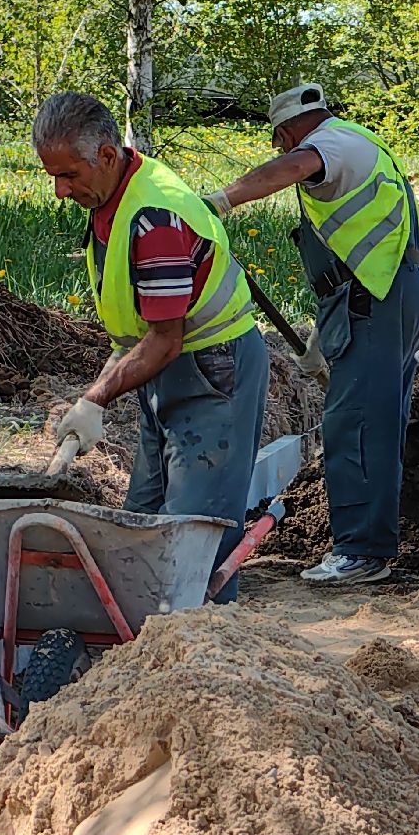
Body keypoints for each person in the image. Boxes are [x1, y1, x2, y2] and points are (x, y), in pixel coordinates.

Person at [34, 91, 268, 604]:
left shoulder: (154, 218)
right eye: (51, 174)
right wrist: (102, 384)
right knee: (143, 519)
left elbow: (166, 338)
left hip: (213, 372)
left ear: (108, 156)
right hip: (166, 369)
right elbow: (144, 327)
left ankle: (204, 647)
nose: (58, 190)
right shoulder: (111, 193)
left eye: (68, 175)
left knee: (192, 537)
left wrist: (96, 399)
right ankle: (143, 643)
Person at [209, 83, 419, 586]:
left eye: (280, 140)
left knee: (354, 425)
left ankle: (360, 551)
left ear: (287, 131)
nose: (282, 150)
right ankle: (370, 543)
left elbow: (291, 167)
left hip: (377, 298)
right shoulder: (355, 143)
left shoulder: (329, 144)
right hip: (384, 296)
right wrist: (327, 332)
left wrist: (220, 201)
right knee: (375, 421)